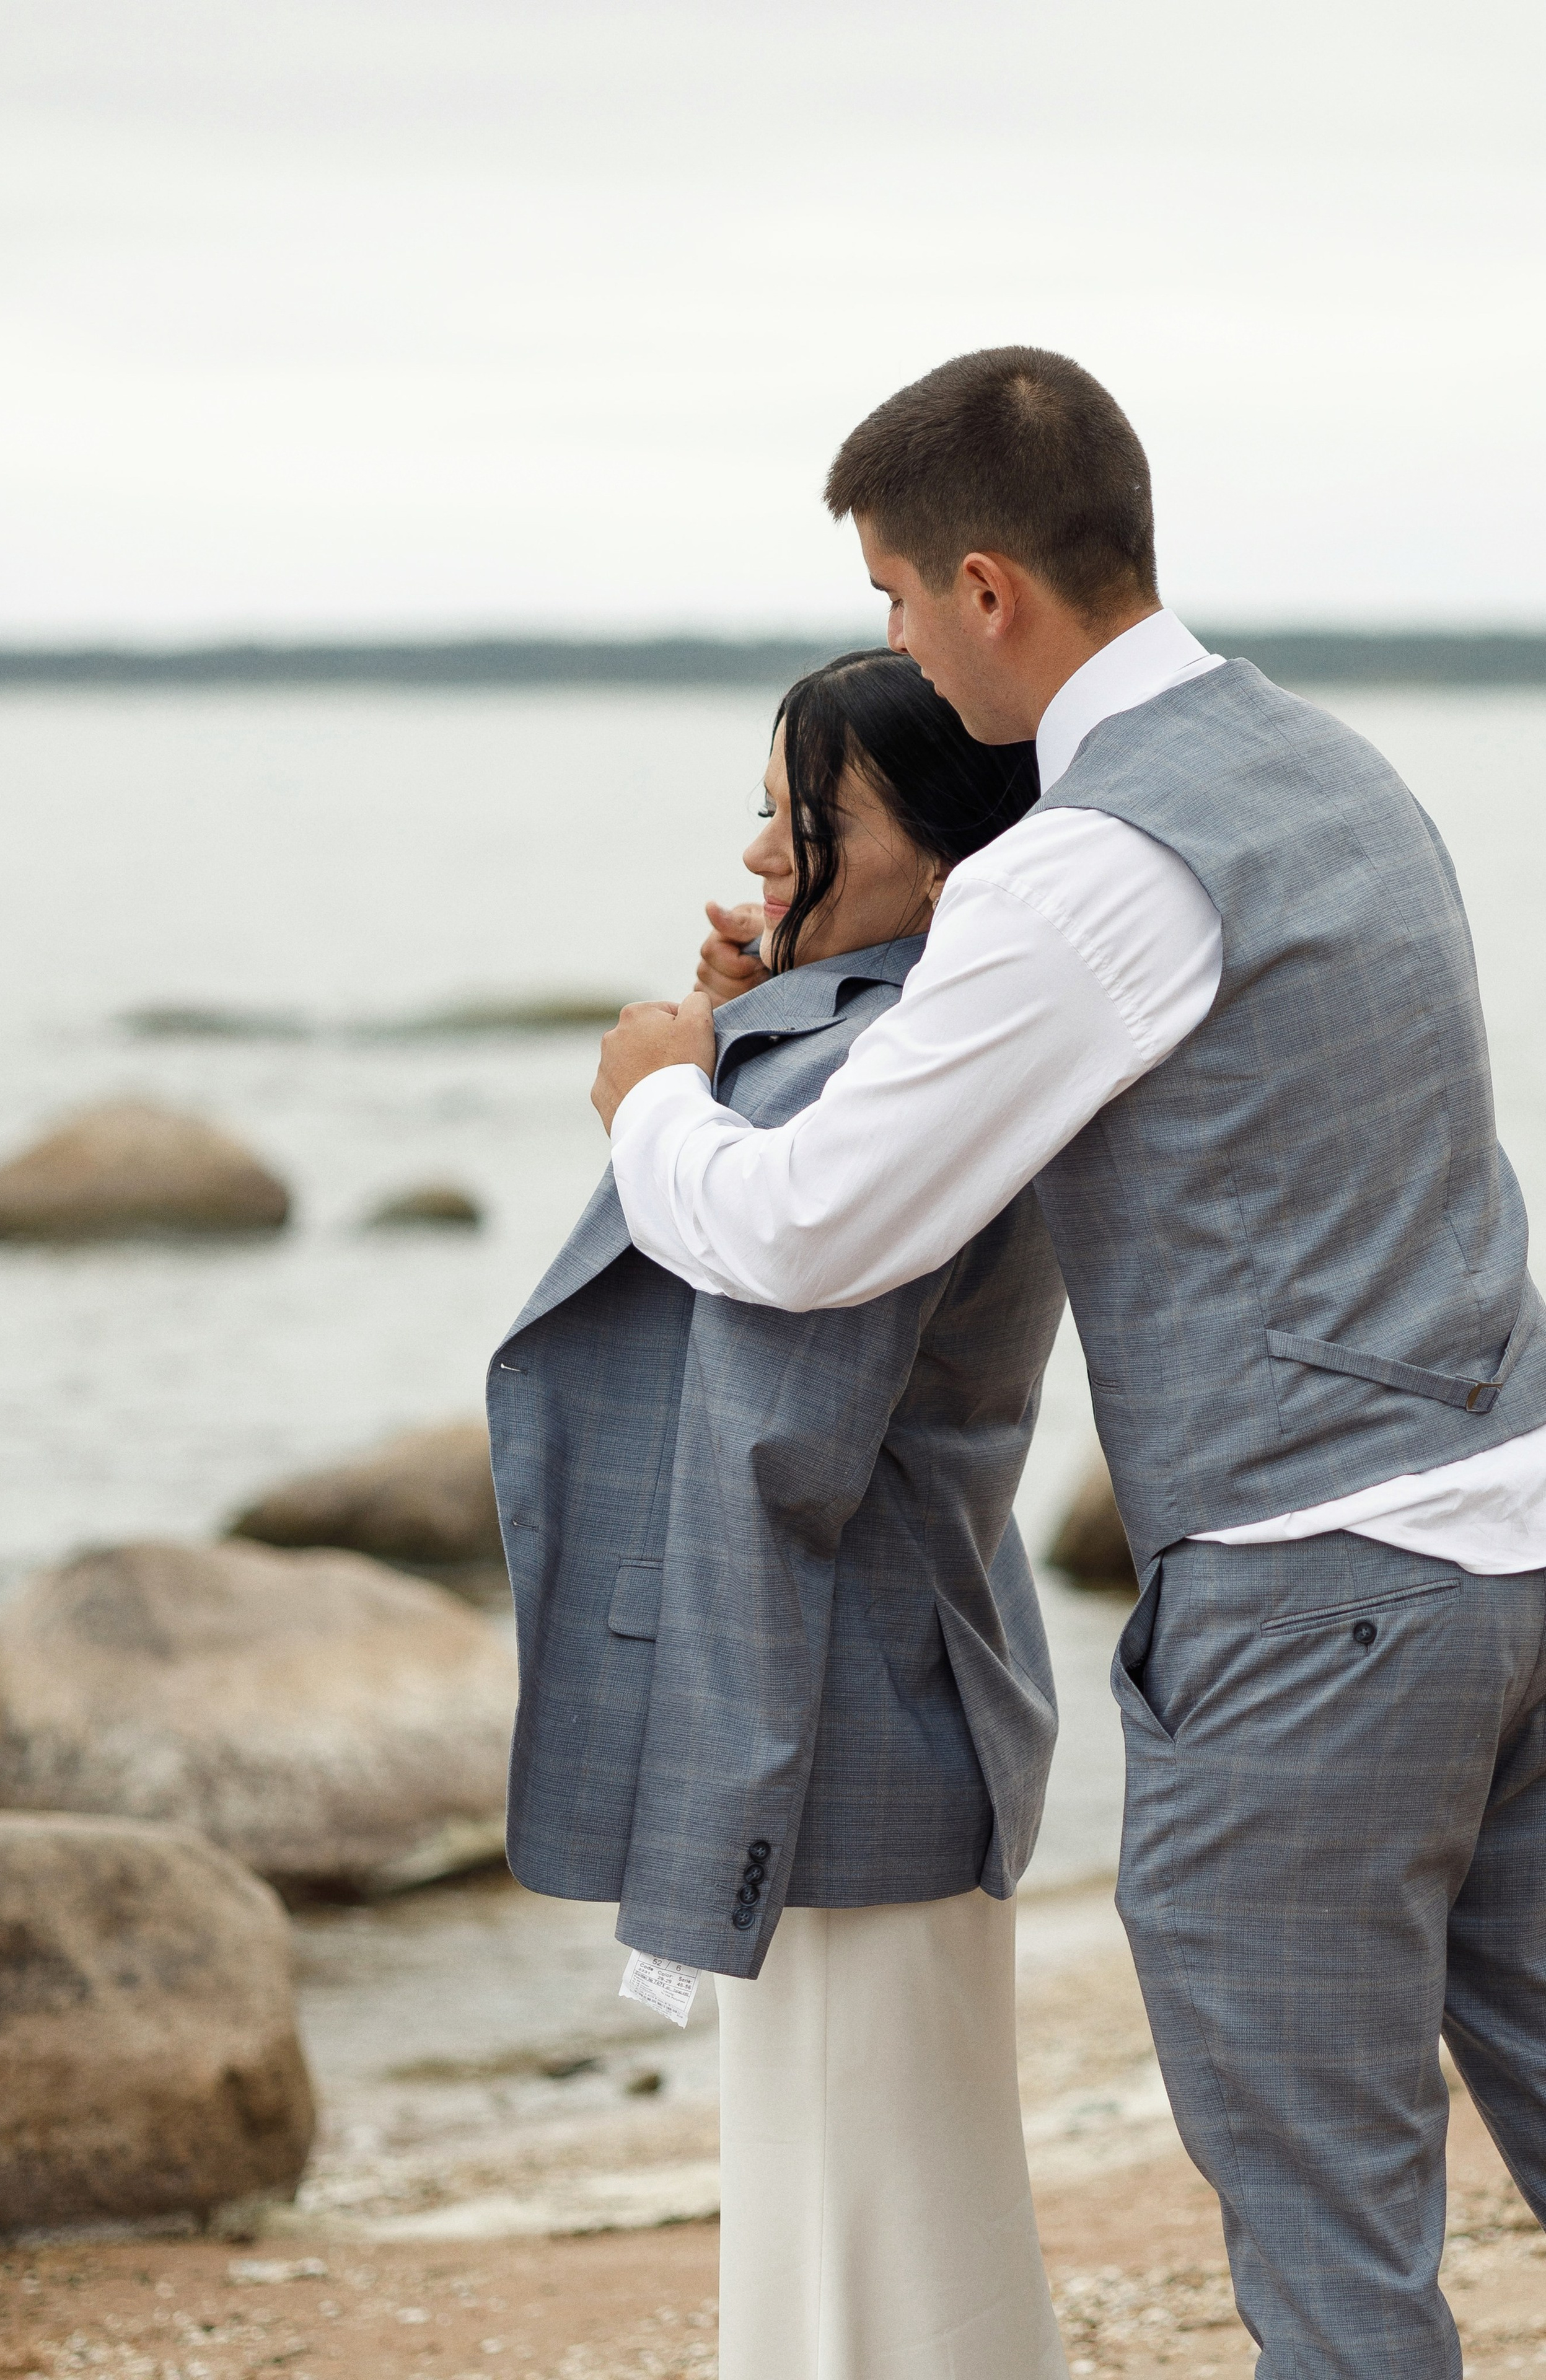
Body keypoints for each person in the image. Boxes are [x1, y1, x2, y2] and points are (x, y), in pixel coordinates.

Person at [592, 346, 1546, 2379]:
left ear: (988, 586)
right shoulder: (1334, 767)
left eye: (894, 599)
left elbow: (812, 1224)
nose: (900, 648)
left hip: (1319, 1610)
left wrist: (659, 1103)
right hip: (1518, 1548)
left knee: (1331, 2241)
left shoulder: (1085, 867)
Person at [488, 648, 1069, 2380]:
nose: (758, 852)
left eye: (804, 817)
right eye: (763, 807)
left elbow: (774, 1444)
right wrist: (741, 1034)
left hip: (839, 1713)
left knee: (866, 2250)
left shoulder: (887, 1069)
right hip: (888, 1694)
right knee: (886, 2227)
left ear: (953, 860)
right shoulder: (894, 1044)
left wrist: (669, 1089)